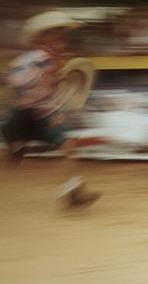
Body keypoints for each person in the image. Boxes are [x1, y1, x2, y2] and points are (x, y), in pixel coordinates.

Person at [2, 11, 101, 208]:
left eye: (62, 34)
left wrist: (55, 83)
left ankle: (75, 192)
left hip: (43, 111)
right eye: (57, 34)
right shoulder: (36, 59)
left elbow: (26, 82)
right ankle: (73, 191)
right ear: (44, 37)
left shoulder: (53, 59)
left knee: (68, 147)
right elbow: (17, 80)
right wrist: (49, 79)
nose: (62, 38)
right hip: (27, 112)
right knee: (14, 157)